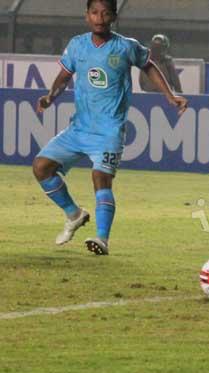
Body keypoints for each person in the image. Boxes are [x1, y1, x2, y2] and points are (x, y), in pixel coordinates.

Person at [32, 0, 188, 255]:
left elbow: (148, 65)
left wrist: (170, 96)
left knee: (100, 178)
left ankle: (101, 239)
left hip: (109, 130)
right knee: (41, 167)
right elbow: (64, 76)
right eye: (94, 12)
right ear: (87, 16)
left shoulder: (126, 46)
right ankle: (74, 214)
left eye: (105, 13)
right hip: (78, 129)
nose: (99, 18)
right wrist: (50, 96)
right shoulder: (77, 45)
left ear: (113, 17)